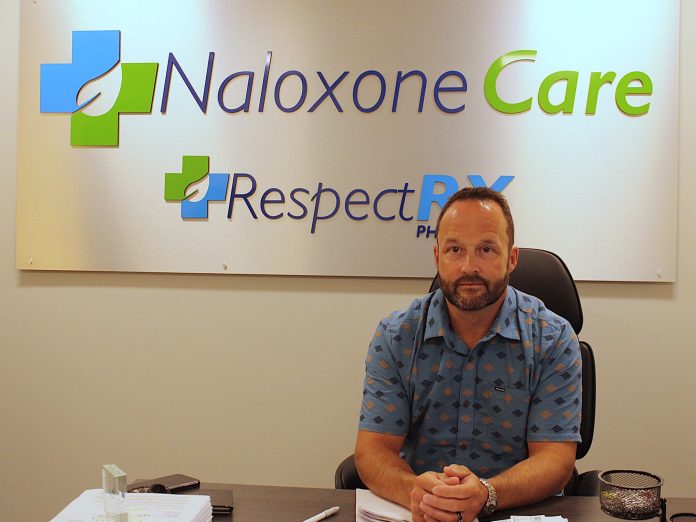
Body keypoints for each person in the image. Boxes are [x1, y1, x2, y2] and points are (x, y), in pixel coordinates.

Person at [355, 187, 582, 522]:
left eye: (486, 249)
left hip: (514, 511)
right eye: (455, 249)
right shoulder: (396, 336)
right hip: (422, 514)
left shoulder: (554, 338)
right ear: (437, 257)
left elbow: (555, 459)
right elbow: (373, 450)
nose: (469, 266)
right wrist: (416, 492)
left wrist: (486, 494)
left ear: (512, 258)